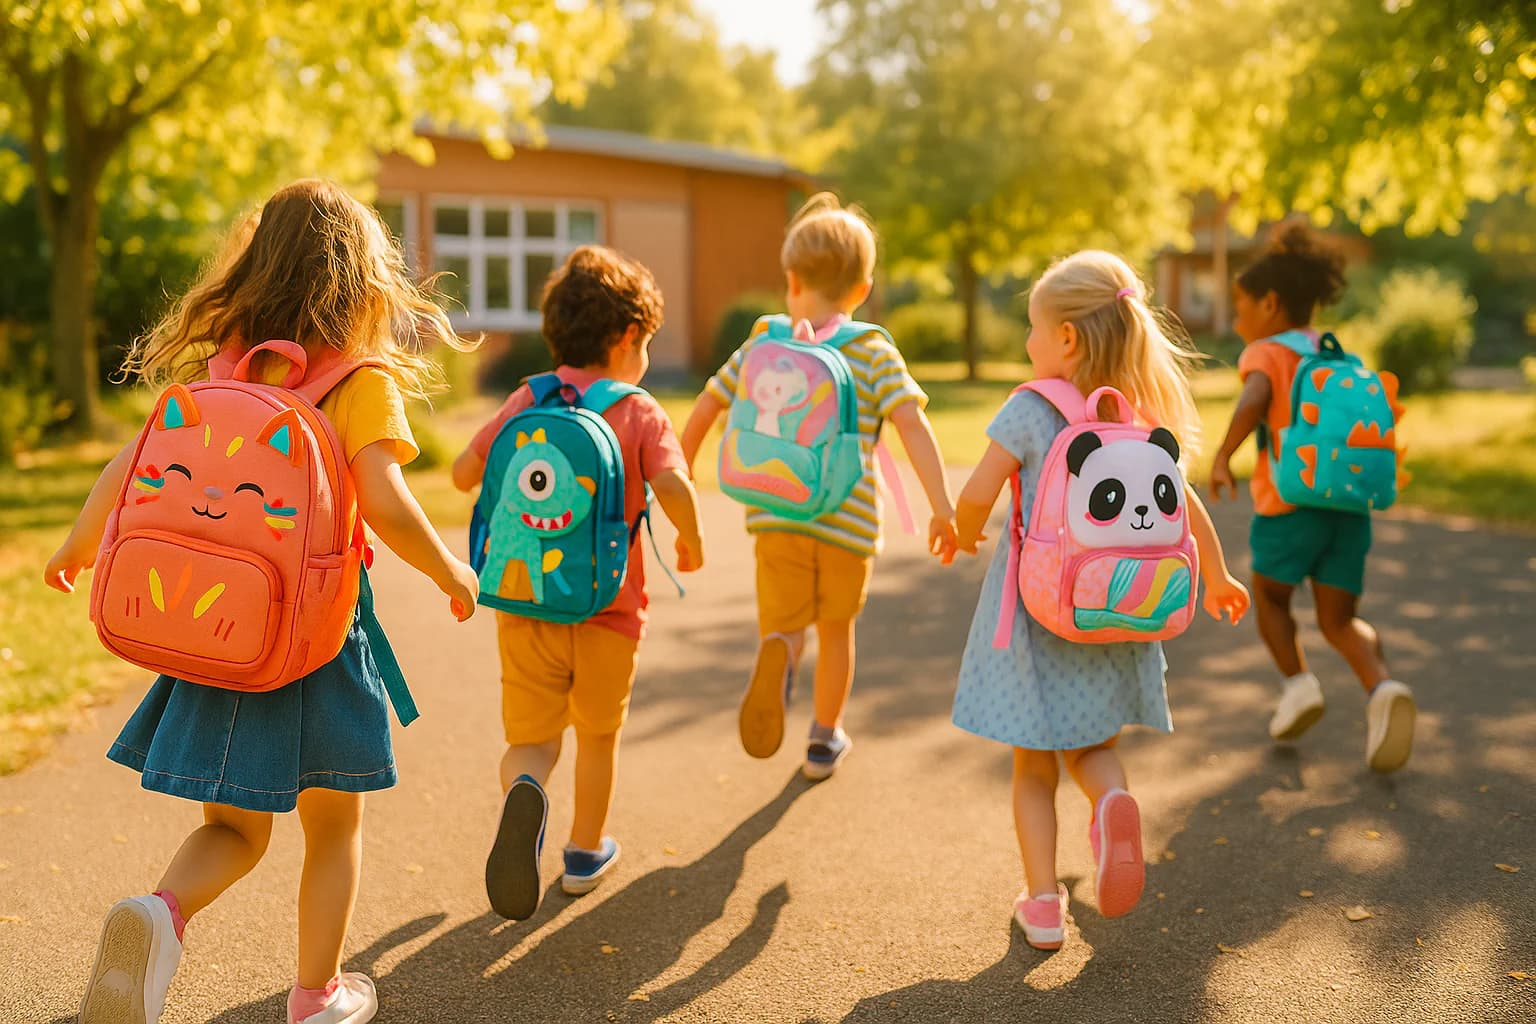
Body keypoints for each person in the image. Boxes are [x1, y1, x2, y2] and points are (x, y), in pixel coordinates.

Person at [46, 179, 480, 1024]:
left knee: (237, 831)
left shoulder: (223, 370)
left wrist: (78, 545)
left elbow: (130, 466)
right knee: (333, 831)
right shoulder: (360, 380)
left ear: (254, 269)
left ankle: (160, 914)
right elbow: (385, 501)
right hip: (316, 645)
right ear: (364, 283)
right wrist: (449, 571)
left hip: (221, 640)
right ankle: (316, 997)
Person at [947, 250, 1250, 950]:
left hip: (1041, 614)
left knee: (1032, 766)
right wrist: (1218, 574)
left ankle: (1044, 904)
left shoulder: (1028, 409)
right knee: (1093, 748)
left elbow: (977, 494)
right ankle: (1112, 801)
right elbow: (1187, 504)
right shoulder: (1134, 416)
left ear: (1067, 339)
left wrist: (959, 533)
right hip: (1116, 613)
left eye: (1032, 328)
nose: (1027, 343)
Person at [451, 246, 704, 920]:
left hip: (525, 603)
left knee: (532, 739)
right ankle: (585, 853)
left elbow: (461, 472)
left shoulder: (529, 397)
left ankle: (524, 789)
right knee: (597, 736)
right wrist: (692, 536)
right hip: (607, 610)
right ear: (627, 338)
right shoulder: (640, 410)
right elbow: (675, 484)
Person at [679, 193, 957, 780]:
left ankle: (779, 653)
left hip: (774, 512)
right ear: (862, 290)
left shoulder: (765, 339)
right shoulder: (873, 349)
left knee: (784, 620)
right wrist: (940, 505)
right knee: (836, 632)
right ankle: (824, 737)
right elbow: (911, 423)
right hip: (848, 520)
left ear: (791, 278)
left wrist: (680, 468)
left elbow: (708, 403)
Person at [1210, 224, 1416, 772]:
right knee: (1339, 621)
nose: (1236, 319)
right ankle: (1382, 686)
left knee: (1272, 597)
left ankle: (1299, 685)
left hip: (1290, 507)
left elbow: (1254, 400)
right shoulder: (1337, 353)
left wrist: (1222, 455)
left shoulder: (1267, 353)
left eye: (1240, 306)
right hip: (1350, 512)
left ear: (1270, 304)